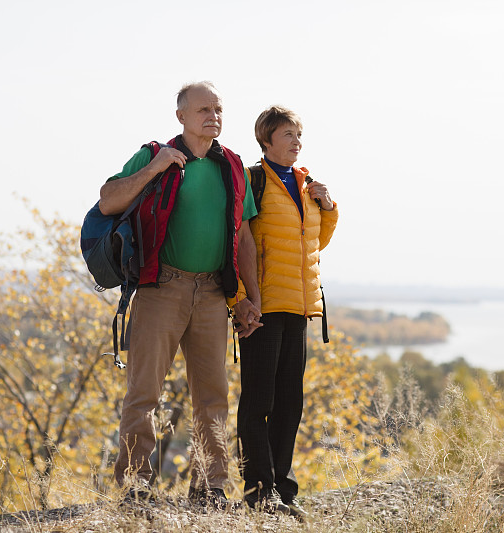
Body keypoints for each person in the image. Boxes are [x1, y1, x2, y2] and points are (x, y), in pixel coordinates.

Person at [100, 81, 262, 509]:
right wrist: (155, 169)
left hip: (213, 292)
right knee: (144, 392)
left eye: (219, 109)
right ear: (182, 117)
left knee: (213, 397)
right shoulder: (152, 155)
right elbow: (107, 200)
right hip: (161, 288)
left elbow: (244, 236)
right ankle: (136, 487)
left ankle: (210, 489)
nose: (213, 116)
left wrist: (250, 298)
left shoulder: (233, 166)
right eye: (204, 109)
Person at [232, 106, 338, 518]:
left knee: (290, 401)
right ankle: (259, 492)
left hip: (299, 307)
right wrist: (241, 298)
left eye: (299, 134)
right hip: (263, 307)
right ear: (266, 140)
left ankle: (282, 489)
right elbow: (237, 240)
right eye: (288, 134)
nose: (296, 141)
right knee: (258, 400)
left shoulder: (306, 184)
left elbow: (314, 245)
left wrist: (326, 208)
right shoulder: (253, 180)